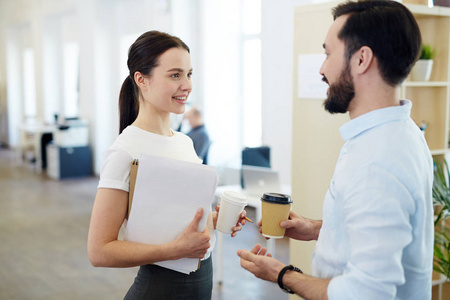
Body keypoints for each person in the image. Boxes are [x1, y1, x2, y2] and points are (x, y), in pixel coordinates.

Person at [237, 1, 433, 299]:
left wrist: (280, 274)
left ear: (361, 59)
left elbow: (366, 292)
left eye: (328, 53)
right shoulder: (400, 132)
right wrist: (318, 229)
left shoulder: (378, 160)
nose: (322, 68)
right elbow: (381, 233)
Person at [87, 31, 248, 300]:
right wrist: (176, 250)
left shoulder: (185, 143)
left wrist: (214, 219)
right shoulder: (124, 151)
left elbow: (171, 218)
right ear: (142, 80)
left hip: (201, 283)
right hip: (160, 289)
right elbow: (99, 251)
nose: (187, 85)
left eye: (189, 74)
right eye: (175, 75)